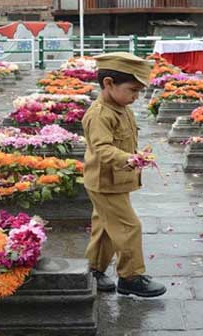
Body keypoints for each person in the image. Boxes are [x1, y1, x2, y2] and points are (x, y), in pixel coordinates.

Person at [82, 52, 166, 298]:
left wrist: (136, 154)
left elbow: (123, 142)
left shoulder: (121, 107)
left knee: (106, 226)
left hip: (114, 181)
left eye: (139, 91)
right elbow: (102, 148)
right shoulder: (100, 114)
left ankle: (94, 270)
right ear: (108, 84)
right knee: (129, 227)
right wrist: (128, 159)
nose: (136, 96)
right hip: (104, 182)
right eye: (132, 90)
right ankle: (130, 276)